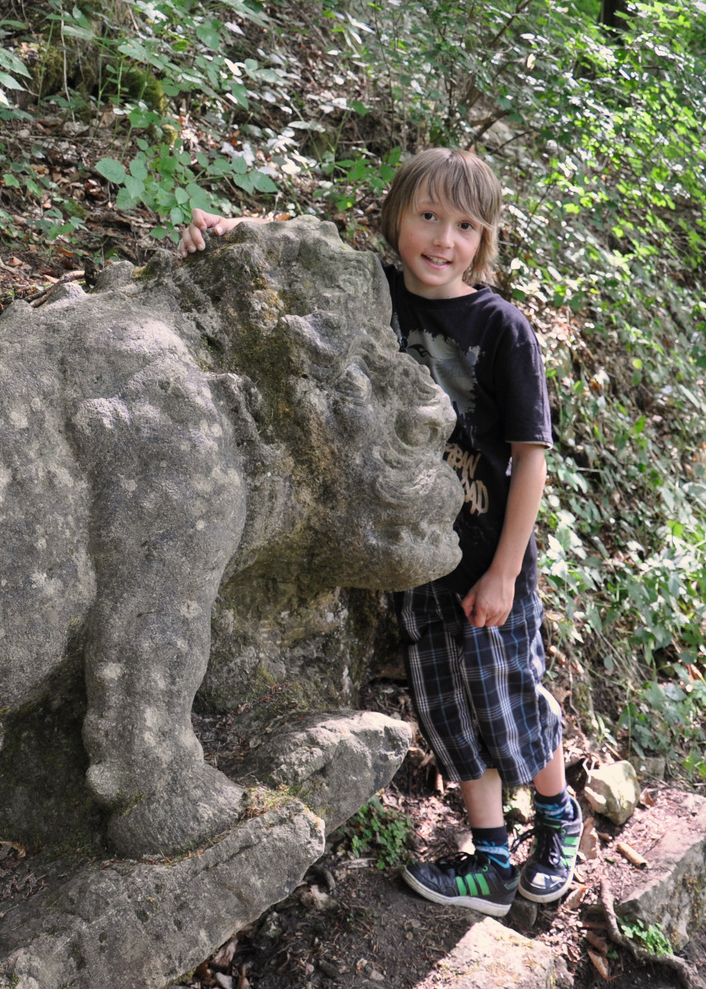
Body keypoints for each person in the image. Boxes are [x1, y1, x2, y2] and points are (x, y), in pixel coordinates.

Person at [177, 148, 580, 917]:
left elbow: (531, 460)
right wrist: (228, 232)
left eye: (465, 226)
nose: (443, 239)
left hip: (492, 556)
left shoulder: (502, 329)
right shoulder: (378, 290)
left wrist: (502, 572)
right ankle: (492, 860)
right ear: (397, 218)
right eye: (428, 216)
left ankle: (559, 821)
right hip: (417, 555)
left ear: (484, 240)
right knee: (446, 704)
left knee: (509, 694)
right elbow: (308, 256)